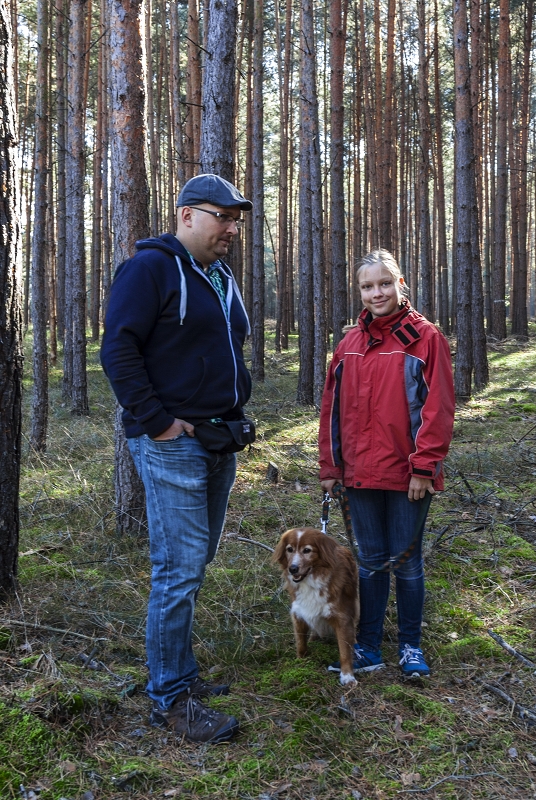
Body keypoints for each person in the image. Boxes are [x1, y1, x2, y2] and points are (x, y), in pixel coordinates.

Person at [101, 174, 253, 742]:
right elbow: (117, 348)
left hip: (217, 439)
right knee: (178, 568)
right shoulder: (150, 269)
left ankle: (181, 675)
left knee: (196, 560)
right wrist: (159, 422)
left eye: (236, 220)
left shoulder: (219, 275)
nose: (231, 229)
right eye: (222, 217)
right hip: (174, 444)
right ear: (187, 215)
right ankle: (169, 698)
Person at [319, 249, 455, 679]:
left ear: (400, 284)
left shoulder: (425, 338)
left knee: (407, 562)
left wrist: (424, 468)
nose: (376, 293)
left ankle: (411, 646)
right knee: (372, 561)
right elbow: (331, 411)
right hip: (359, 475)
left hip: (408, 476)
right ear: (359, 291)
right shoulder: (348, 345)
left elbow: (438, 408)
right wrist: (330, 467)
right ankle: (368, 647)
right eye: (367, 286)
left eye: (383, 283)